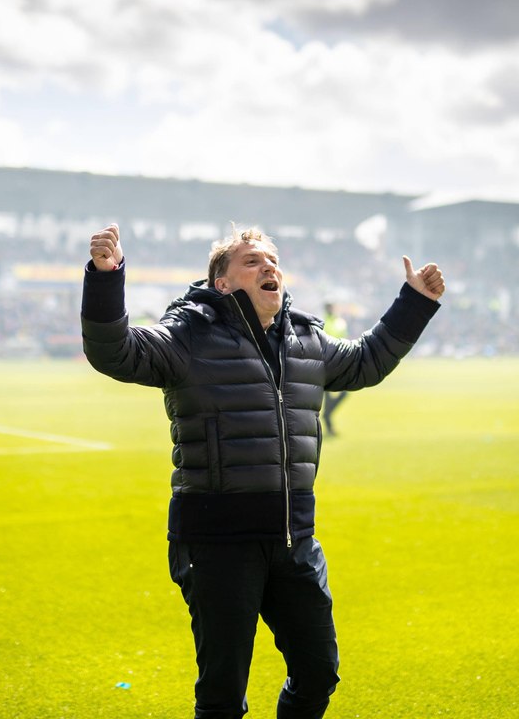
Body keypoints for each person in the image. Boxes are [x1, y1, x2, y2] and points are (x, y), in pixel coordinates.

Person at [81, 223, 445, 719]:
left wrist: (414, 301)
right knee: (223, 695)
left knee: (319, 673)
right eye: (252, 261)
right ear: (223, 283)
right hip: (217, 542)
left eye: (271, 259)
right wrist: (106, 277)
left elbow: (366, 363)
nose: (268, 266)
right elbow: (114, 351)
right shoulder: (187, 335)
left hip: (294, 539)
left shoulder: (306, 339)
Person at [320, 302, 349, 435]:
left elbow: (345, 339)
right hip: (326, 363)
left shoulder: (340, 322)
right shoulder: (323, 321)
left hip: (339, 361)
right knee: (327, 394)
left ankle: (327, 415)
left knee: (344, 392)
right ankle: (328, 422)